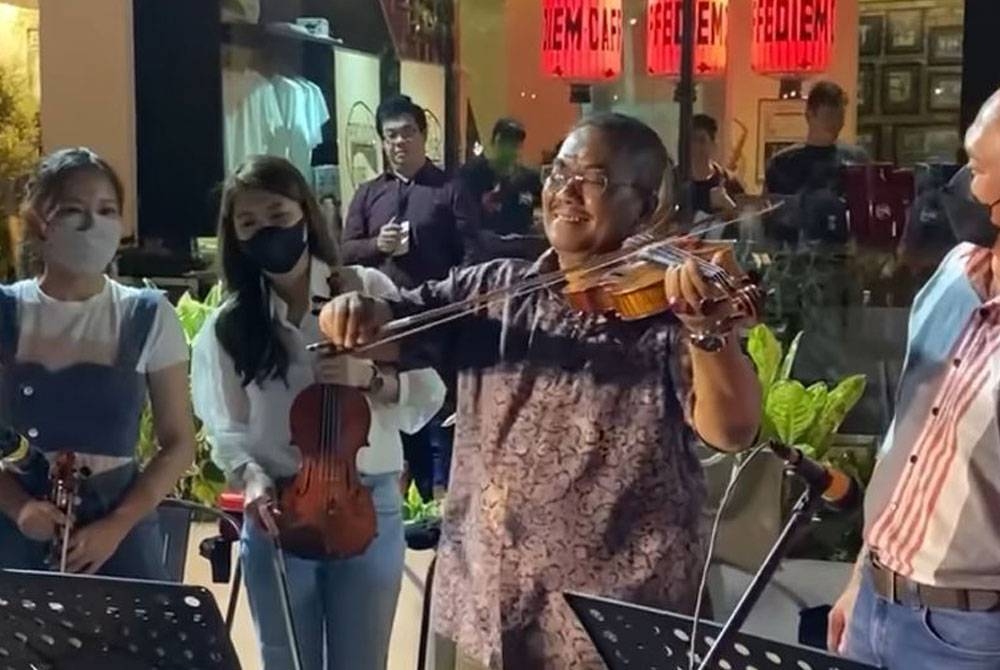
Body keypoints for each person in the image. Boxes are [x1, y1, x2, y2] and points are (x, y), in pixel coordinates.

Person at [318, 113, 762, 669]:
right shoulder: (493, 288)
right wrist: (355, 312)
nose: (567, 191)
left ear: (645, 206)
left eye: (594, 179)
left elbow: (733, 428)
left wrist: (707, 330)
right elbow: (393, 325)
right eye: (559, 172)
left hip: (612, 632)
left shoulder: (670, 317)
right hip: (487, 612)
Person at [191, 155, 445, 670]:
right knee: (285, 660)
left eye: (277, 215)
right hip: (279, 511)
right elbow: (227, 429)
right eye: (249, 223)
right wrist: (252, 477)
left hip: (365, 505)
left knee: (361, 661)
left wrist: (368, 378)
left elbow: (428, 391)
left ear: (305, 214)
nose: (266, 231)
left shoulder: (367, 291)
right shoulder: (231, 325)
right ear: (235, 237)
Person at [827, 90, 1000, 670]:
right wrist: (861, 578)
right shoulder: (954, 272)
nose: (960, 185)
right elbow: (905, 443)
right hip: (876, 604)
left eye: (977, 168)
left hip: (971, 638)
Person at [0, 148, 195, 579]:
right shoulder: (5, 310)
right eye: (74, 210)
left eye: (107, 210)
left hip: (120, 535)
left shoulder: (147, 314)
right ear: (38, 220)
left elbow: (179, 442)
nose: (93, 224)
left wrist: (117, 525)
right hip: (16, 531)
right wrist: (19, 508)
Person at [340, 94, 474, 500]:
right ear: (382, 142)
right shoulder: (369, 194)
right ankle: (405, 497)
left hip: (437, 321)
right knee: (393, 409)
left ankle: (442, 498)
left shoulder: (449, 190)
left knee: (440, 415)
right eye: (391, 135)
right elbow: (345, 251)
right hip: (384, 326)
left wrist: (457, 303)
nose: (400, 142)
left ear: (424, 135)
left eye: (408, 133)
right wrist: (376, 246)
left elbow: (471, 252)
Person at [764, 81, 868, 244]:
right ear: (809, 115)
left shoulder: (856, 161)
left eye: (840, 116)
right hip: (793, 252)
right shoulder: (782, 163)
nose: (835, 123)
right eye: (829, 116)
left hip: (843, 250)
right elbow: (769, 214)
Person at [459, 118, 546, 259]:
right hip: (483, 254)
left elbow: (541, 211)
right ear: (494, 142)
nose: (511, 150)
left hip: (520, 254)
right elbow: (462, 219)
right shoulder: (471, 174)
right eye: (505, 142)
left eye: (516, 144)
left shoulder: (529, 179)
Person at [689, 113, 744, 221]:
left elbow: (743, 223)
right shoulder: (673, 181)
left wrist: (727, 203)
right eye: (692, 140)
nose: (695, 146)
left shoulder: (729, 180)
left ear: (713, 144)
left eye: (701, 140)